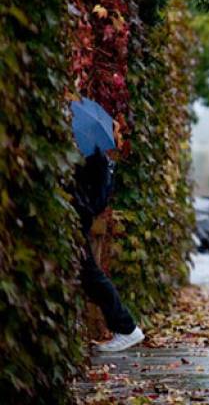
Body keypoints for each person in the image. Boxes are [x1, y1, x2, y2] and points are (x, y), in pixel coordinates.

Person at [72, 148, 145, 352]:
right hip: (81, 213)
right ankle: (125, 327)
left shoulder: (91, 152)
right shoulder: (96, 151)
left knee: (88, 273)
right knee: (86, 273)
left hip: (77, 214)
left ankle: (127, 327)